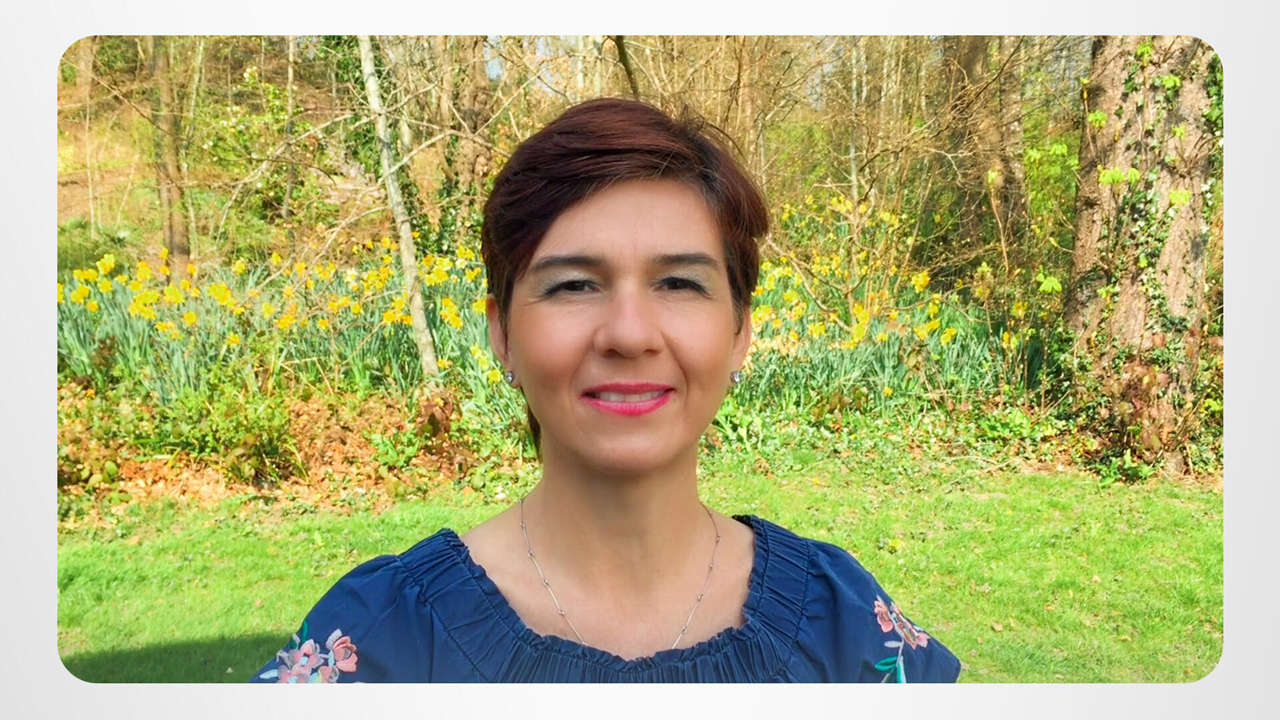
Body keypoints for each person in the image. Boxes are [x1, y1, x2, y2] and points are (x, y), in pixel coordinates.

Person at [251, 98, 961, 683]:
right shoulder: (383, 642)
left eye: (678, 283)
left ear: (740, 331)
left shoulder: (840, 626)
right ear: (503, 334)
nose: (629, 333)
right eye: (573, 285)